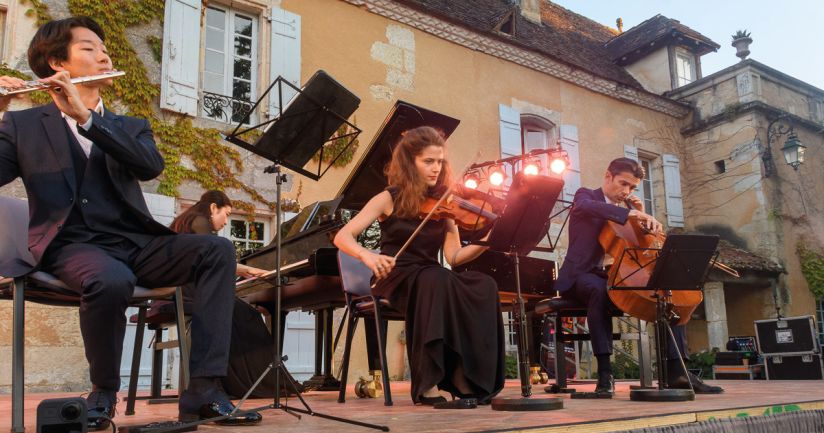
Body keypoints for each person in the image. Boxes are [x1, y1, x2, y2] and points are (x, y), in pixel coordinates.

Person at [0, 17, 261, 429]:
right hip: (73, 246)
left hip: (138, 244)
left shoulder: (130, 126)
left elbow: (149, 167)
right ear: (56, 62)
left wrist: (88, 119)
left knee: (217, 250)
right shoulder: (22, 125)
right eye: (89, 47)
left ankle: (205, 392)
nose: (104, 55)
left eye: (105, 47)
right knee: (111, 279)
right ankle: (103, 392)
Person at [333, 126, 505, 409]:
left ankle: (466, 376)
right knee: (437, 280)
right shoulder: (387, 198)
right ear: (410, 162)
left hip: (430, 276)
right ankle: (428, 385)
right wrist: (368, 257)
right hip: (396, 274)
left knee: (483, 285)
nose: (436, 168)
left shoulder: (443, 204)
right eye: (428, 161)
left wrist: (487, 241)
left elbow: (454, 256)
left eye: (440, 162)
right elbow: (343, 236)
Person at [555, 157, 723, 396]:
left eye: (632, 187)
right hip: (580, 277)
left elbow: (641, 247)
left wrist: (642, 218)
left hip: (613, 276)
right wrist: (630, 215)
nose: (626, 191)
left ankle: (678, 370)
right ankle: (605, 373)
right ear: (607, 176)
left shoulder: (629, 211)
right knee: (599, 291)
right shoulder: (586, 196)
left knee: (666, 290)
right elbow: (585, 208)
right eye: (623, 184)